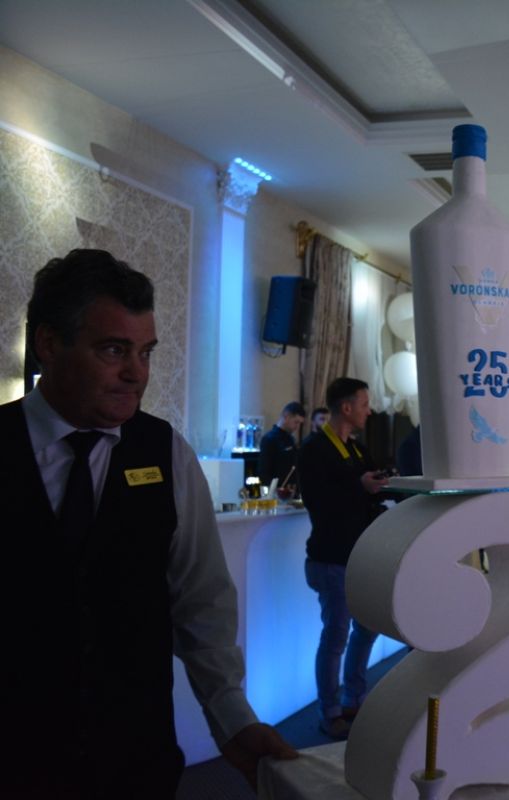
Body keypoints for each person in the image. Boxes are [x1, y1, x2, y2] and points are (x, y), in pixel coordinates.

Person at [3, 249, 296, 796]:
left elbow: (202, 601)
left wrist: (232, 718)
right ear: (48, 343)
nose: (136, 373)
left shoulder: (167, 453)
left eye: (145, 352)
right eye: (113, 350)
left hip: (136, 762)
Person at [298, 377, 389, 739]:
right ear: (347, 407)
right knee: (336, 635)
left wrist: (379, 487)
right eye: (364, 404)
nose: (369, 410)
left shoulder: (357, 449)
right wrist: (359, 486)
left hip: (361, 555)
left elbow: (365, 495)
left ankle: (355, 698)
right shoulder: (314, 449)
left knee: (367, 628)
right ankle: (330, 711)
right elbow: (319, 501)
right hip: (331, 557)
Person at [258, 401, 306, 490]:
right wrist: (276, 490)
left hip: (291, 491)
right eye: (296, 422)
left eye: (300, 423)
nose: (297, 427)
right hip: (277, 491)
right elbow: (264, 472)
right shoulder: (269, 439)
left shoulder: (291, 439)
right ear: (286, 416)